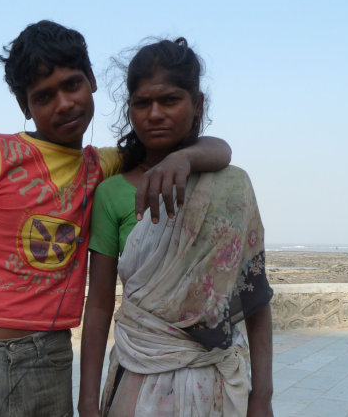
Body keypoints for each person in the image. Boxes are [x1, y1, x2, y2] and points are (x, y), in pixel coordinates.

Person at [0, 22, 232, 417]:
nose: (64, 103)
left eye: (73, 85)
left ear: (92, 82)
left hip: (52, 359)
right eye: (44, 96)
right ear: (25, 107)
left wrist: (183, 158)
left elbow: (219, 149)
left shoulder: (102, 165)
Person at [78, 38, 274, 417]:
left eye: (169, 100)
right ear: (129, 110)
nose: (154, 113)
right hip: (137, 376)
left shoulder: (231, 187)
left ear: (197, 105)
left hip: (214, 382)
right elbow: (99, 305)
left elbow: (255, 298)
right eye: (141, 103)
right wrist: (87, 402)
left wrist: (262, 395)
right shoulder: (112, 193)